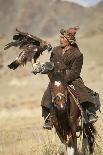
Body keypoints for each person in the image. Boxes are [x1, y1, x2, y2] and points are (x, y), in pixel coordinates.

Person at [41, 27, 98, 130]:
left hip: (72, 79)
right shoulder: (55, 50)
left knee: (82, 92)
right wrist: (44, 68)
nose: (61, 39)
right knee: (47, 94)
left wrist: (63, 77)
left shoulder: (77, 54)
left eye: (63, 38)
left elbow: (75, 72)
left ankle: (90, 113)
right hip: (57, 78)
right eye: (60, 37)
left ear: (69, 40)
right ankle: (48, 118)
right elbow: (51, 65)